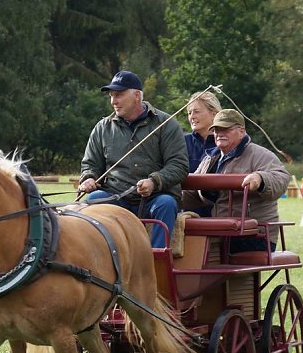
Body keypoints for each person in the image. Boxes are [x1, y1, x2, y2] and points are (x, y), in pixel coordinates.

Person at [78, 71, 188, 248]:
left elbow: (179, 165)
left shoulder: (166, 124)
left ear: (137, 96)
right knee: (93, 199)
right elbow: (90, 165)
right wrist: (89, 178)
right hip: (116, 195)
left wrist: (154, 181)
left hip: (156, 197)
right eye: (111, 96)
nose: (113, 101)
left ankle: (155, 263)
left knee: (166, 204)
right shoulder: (102, 128)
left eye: (119, 95)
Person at [183, 109, 290, 253]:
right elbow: (192, 192)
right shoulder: (209, 159)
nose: (220, 133)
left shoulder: (260, 155)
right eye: (216, 130)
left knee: (201, 253)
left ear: (241, 131)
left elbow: (281, 179)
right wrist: (167, 195)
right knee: (185, 245)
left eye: (226, 129)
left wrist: (260, 178)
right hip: (222, 232)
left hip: (255, 234)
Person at [185, 91, 222, 172]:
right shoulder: (182, 142)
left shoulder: (225, 141)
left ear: (214, 114)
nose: (192, 117)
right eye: (189, 113)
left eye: (196, 112)